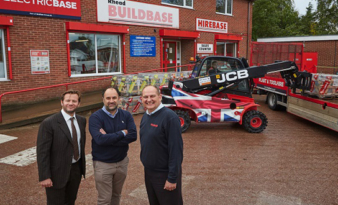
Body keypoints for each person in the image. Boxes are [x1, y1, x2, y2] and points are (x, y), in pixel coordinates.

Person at [37, 90, 86, 205]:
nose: (70, 103)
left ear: (78, 104)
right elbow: (42, 152)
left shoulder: (81, 120)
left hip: (75, 170)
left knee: (70, 201)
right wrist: (44, 176)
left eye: (74, 101)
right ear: (62, 102)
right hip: (56, 173)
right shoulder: (48, 123)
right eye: (67, 100)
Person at [89, 87, 137, 205]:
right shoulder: (95, 117)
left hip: (121, 163)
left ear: (119, 99)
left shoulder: (126, 115)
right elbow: (100, 140)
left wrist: (109, 138)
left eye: (114, 98)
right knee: (104, 199)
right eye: (108, 98)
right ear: (103, 99)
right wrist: (122, 133)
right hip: (103, 164)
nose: (111, 101)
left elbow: (133, 136)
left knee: (116, 195)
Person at [140, 85, 184, 205]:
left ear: (160, 97)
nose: (149, 99)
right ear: (141, 99)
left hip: (164, 175)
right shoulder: (146, 116)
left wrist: (172, 178)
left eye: (152, 96)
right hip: (149, 173)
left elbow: (176, 150)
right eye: (145, 97)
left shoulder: (170, 117)